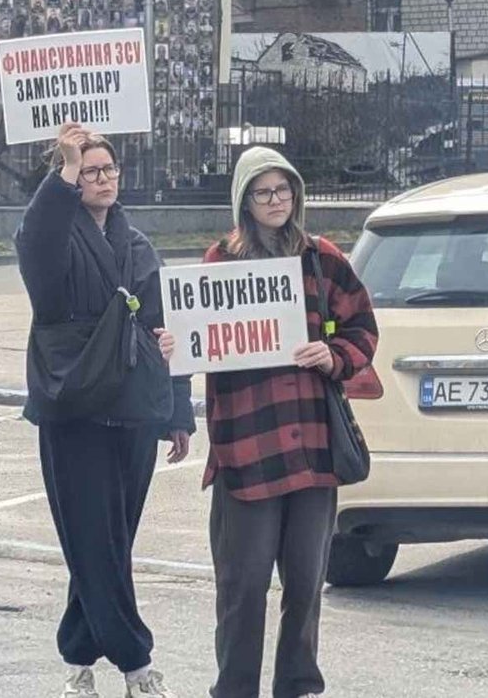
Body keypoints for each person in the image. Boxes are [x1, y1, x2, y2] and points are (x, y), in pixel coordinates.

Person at [158, 147, 378, 698]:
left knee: (305, 583)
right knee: (243, 585)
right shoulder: (220, 263)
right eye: (264, 193)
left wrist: (335, 358)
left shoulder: (321, 258)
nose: (276, 201)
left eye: (284, 191)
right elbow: (197, 340)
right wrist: (175, 344)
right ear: (244, 202)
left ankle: (298, 685)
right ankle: (234, 689)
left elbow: (363, 328)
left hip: (312, 447)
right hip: (246, 448)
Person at [17, 122, 196, 698]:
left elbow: (168, 323)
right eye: (88, 170)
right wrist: (62, 169)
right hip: (75, 408)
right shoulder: (54, 242)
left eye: (107, 169)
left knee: (109, 539)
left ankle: (77, 659)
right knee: (94, 538)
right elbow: (34, 237)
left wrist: (178, 409)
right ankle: (136, 663)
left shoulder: (138, 245)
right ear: (70, 176)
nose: (101, 179)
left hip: (136, 409)